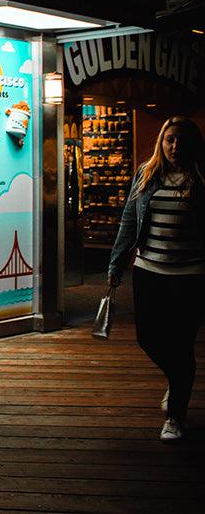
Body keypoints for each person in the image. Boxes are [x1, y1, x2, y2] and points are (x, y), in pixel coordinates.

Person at [108, 115, 205, 442]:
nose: (175, 146)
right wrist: (116, 264)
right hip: (149, 272)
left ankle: (176, 417)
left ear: (192, 144)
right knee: (148, 338)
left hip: (190, 276)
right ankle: (178, 380)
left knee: (181, 343)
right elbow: (129, 221)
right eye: (170, 139)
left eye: (182, 140)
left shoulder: (201, 179)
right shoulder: (146, 175)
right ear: (162, 142)